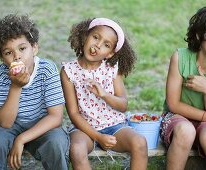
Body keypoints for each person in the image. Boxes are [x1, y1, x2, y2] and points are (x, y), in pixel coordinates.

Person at [0, 14, 69, 170]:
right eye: (8, 52)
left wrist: (21, 139)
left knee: (57, 142)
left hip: (43, 124)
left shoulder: (47, 70)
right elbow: (5, 123)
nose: (17, 56)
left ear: (34, 48)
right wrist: (15, 86)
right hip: (10, 126)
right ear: (2, 58)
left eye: (22, 48)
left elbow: (56, 117)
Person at [61, 17, 148, 170]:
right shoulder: (69, 71)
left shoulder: (112, 69)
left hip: (114, 126)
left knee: (140, 142)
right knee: (76, 149)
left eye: (106, 45)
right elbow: (74, 113)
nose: (97, 45)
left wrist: (104, 94)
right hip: (84, 129)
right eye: (95, 37)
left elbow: (123, 105)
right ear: (85, 37)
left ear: (109, 53)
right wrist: (98, 137)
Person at [160, 6, 206, 170]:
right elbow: (173, 104)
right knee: (185, 131)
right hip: (178, 118)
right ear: (198, 35)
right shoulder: (180, 57)